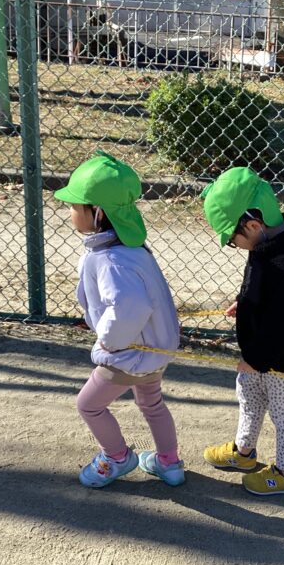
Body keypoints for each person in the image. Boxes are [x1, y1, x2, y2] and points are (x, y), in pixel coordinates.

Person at [55, 152, 184, 488]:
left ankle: (116, 457)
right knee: (152, 403)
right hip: (155, 349)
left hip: (129, 353)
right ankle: (169, 463)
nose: (70, 212)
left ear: (98, 213)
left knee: (89, 405)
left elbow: (131, 306)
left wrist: (109, 341)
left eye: (74, 206)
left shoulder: (111, 259)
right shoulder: (131, 249)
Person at [201, 167, 284, 496]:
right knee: (249, 398)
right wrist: (244, 301)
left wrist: (256, 359)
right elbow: (261, 287)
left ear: (253, 225)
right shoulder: (266, 245)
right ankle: (244, 452)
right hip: (260, 352)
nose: (234, 245)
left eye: (232, 240)